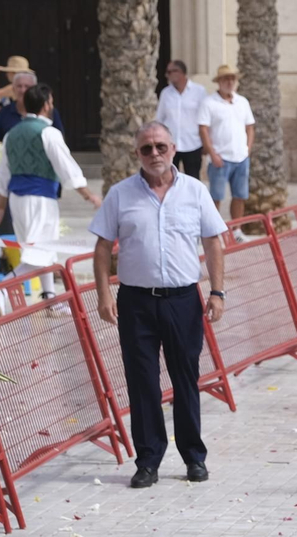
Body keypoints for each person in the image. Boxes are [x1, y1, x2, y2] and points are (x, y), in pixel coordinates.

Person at [91, 122, 228, 488]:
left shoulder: (195, 192)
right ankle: (148, 460)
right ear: (137, 153)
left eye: (161, 147)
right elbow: (103, 247)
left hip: (183, 300)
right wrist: (103, 294)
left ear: (174, 148)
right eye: (147, 148)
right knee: (142, 383)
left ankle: (193, 458)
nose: (155, 154)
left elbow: (214, 242)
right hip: (135, 302)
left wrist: (217, 292)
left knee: (186, 379)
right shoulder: (120, 195)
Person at [0, 85, 99, 275]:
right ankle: (3, 288)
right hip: (40, 200)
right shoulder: (49, 133)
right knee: (38, 254)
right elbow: (67, 168)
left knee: (42, 250)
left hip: (17, 201)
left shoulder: (10, 134)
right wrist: (89, 196)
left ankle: (49, 296)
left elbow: (2, 173)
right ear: (47, 105)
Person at [197, 65, 256, 226]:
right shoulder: (209, 103)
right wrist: (212, 154)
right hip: (220, 158)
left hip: (241, 157)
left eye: (232, 79)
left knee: (240, 196)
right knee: (216, 197)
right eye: (226, 79)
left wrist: (247, 150)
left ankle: (236, 231)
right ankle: (214, 231)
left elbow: (250, 127)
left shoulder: (242, 102)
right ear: (219, 82)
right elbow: (203, 129)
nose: (229, 82)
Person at [155, 60, 208, 178]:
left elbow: (205, 118)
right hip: (170, 144)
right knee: (169, 178)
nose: (167, 75)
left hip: (193, 143)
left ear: (181, 72)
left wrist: (206, 143)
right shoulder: (166, 93)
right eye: (167, 72)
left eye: (170, 72)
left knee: (193, 178)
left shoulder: (199, 91)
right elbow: (160, 119)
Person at [0, 70, 66, 147]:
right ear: (13, 89)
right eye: (19, 86)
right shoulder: (4, 112)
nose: (23, 90)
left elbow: (60, 141)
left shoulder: (48, 110)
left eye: (27, 86)